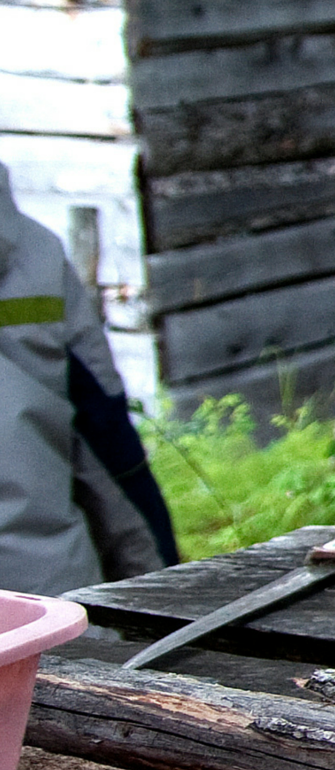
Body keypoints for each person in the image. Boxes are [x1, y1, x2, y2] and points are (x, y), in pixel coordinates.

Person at [1, 162, 176, 595]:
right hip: (47, 602)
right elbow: (106, 441)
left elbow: (101, 430)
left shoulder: (38, 254)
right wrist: (159, 585)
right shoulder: (35, 250)